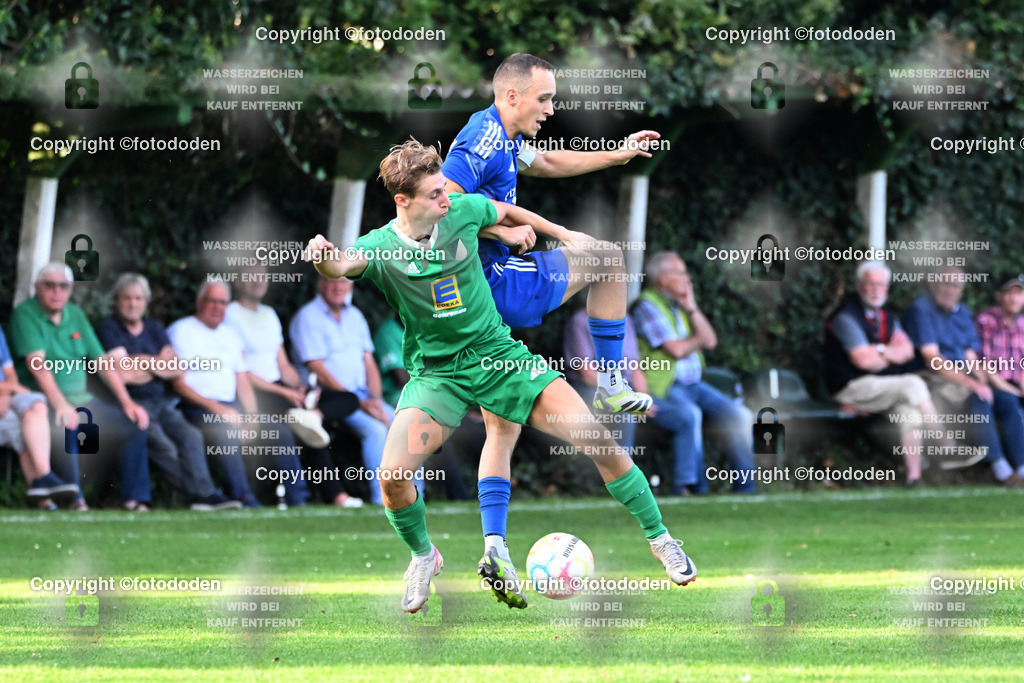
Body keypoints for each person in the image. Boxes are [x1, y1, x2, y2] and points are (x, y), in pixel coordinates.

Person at [306, 139, 695, 614]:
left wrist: (560, 235)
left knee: (598, 440)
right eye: (434, 195)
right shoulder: (380, 246)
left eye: (444, 191)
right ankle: (424, 556)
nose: (446, 199)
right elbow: (340, 265)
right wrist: (321, 253)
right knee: (391, 477)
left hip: (499, 357)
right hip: (438, 375)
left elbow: (504, 209)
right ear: (403, 201)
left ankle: (661, 539)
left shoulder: (461, 210)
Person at [442, 52, 659, 604]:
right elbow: (446, 202)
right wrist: (504, 235)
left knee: (500, 428)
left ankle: (496, 547)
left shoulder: (504, 137)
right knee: (608, 258)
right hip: (497, 284)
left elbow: (550, 164)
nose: (551, 108)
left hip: (480, 306)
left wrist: (619, 154)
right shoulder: (482, 138)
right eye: (544, 98)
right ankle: (611, 380)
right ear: (511, 96)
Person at [9, 263, 150, 511]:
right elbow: (37, 365)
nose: (56, 292)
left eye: (63, 286)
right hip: (44, 400)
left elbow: (103, 363)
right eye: (50, 285)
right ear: (37, 288)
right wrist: (61, 404)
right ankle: (76, 499)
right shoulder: (25, 315)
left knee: (133, 425)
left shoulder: (75, 315)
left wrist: (127, 402)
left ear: (70, 290)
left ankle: (133, 499)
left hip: (84, 400)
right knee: (69, 423)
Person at [97, 273, 241, 510]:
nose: (133, 303)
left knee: (191, 436)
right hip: (133, 403)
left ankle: (205, 494)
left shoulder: (154, 329)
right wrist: (157, 363)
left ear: (146, 302)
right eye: (127, 298)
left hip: (161, 402)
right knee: (165, 447)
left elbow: (175, 369)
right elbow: (122, 374)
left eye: (138, 298)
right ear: (117, 301)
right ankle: (198, 496)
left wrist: (140, 362)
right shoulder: (109, 328)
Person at [225, 266, 362, 507]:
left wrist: (301, 388)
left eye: (262, 276)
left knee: (348, 399)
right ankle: (324, 495)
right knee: (302, 424)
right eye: (251, 276)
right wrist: (284, 392)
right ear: (238, 281)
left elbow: (284, 365)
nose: (258, 281)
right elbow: (241, 371)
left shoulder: (269, 315)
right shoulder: (230, 314)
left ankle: (315, 415)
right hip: (258, 392)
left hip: (283, 389)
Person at [169, 280, 310, 506]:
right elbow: (179, 385)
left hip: (232, 407)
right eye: (211, 301)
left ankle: (298, 497)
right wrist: (219, 409)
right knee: (225, 431)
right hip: (196, 407)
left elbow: (242, 380)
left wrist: (252, 416)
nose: (217, 307)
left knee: (280, 432)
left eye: (222, 302)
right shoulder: (182, 330)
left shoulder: (230, 335)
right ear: (199, 302)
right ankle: (243, 496)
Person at [632, 252, 757, 495]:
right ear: (664, 278)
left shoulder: (679, 307)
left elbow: (709, 341)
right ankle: (692, 487)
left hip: (695, 385)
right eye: (681, 273)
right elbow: (676, 350)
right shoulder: (646, 305)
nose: (688, 279)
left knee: (740, 414)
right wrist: (696, 340)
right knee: (690, 415)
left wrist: (692, 308)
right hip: (667, 386)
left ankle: (746, 487)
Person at [823, 262, 944, 487]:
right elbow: (863, 361)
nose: (877, 290)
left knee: (909, 411)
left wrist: (878, 352)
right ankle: (945, 440)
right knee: (912, 383)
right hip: (849, 388)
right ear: (860, 286)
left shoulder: (886, 317)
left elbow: (907, 351)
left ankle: (914, 477)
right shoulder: (846, 317)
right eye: (871, 284)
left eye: (882, 284)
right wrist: (887, 352)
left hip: (881, 387)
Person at [902, 268, 1024, 487]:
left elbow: (970, 355)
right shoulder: (922, 309)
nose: (950, 290)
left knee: (1006, 400)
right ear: (934, 285)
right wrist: (973, 384)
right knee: (979, 397)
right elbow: (932, 359)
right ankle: (1000, 468)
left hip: (961, 378)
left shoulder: (962, 313)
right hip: (932, 377)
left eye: (956, 286)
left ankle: (1021, 469)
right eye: (946, 284)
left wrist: (980, 379)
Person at [289, 276, 395, 506]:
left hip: (365, 395)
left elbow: (369, 361)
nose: (339, 286)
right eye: (332, 280)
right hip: (330, 397)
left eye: (344, 282)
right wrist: (359, 401)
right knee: (376, 430)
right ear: (320, 283)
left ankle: (414, 497)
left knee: (404, 424)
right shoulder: (307, 317)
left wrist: (374, 399)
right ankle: (384, 500)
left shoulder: (355, 316)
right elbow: (316, 367)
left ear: (351, 286)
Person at [0, 323, 79, 509]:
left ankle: (42, 480)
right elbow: (13, 385)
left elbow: (10, 375)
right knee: (26, 430)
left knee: (36, 401)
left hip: (4, 397)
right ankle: (44, 496)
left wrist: (5, 392)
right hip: (5, 396)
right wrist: (9, 390)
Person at [563, 306, 649, 452]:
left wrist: (644, 398)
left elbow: (635, 367)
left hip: (623, 386)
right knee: (625, 414)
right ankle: (624, 471)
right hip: (591, 387)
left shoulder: (625, 319)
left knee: (685, 415)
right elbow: (586, 373)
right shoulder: (580, 321)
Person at [975, 274, 1024, 395]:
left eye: (1018, 293)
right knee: (1009, 402)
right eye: (1009, 293)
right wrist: (1015, 392)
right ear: (999, 295)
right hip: (995, 384)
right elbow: (984, 366)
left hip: (1018, 384)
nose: (1014, 299)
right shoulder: (986, 321)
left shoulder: (1022, 323)